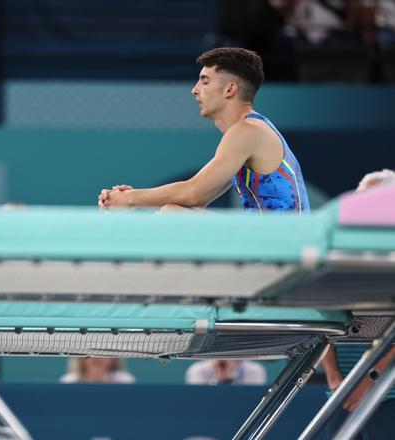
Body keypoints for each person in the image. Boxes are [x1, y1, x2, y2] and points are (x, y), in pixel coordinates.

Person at [98, 47, 310, 214]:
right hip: (269, 241)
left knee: (171, 216)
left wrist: (129, 199)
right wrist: (133, 200)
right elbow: (197, 197)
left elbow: (194, 193)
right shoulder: (249, 132)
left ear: (230, 89)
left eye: (205, 81)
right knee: (174, 211)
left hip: (283, 246)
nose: (195, 90)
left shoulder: (248, 131)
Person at [320, 168, 395, 440]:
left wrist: (367, 381)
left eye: (371, 199)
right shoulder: (341, 254)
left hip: (386, 395)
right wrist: (333, 377)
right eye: (360, 198)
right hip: (341, 393)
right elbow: (325, 320)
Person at [185, 359, 267, 385]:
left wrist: (230, 377)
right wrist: (218, 380)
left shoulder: (254, 370)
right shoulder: (198, 370)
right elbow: (200, 401)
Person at [60, 357, 135, 384]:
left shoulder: (125, 381)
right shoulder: (68, 381)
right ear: (81, 358)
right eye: (91, 353)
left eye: (104, 352)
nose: (97, 357)